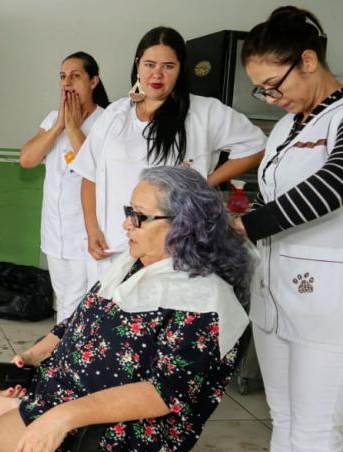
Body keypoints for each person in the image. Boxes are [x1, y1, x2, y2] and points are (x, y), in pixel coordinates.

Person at [0, 166, 251, 452]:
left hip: (120, 425)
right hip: (61, 386)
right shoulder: (134, 264)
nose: (126, 224)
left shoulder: (205, 302)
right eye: (128, 211)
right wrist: (32, 356)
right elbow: (75, 323)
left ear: (183, 225)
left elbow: (161, 394)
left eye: (138, 216)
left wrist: (61, 417)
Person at [232, 6, 343, 452]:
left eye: (273, 85)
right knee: (286, 424)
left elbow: (334, 186)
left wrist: (243, 224)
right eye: (260, 89)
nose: (269, 97)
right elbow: (275, 194)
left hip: (334, 306)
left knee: (318, 435)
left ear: (308, 60)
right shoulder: (287, 125)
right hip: (277, 298)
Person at [73, 26, 265, 276]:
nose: (157, 74)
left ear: (180, 69)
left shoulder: (203, 112)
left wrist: (204, 182)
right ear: (137, 65)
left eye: (168, 66)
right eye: (150, 64)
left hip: (172, 251)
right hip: (113, 246)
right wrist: (92, 230)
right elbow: (89, 176)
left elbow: (257, 146)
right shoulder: (116, 115)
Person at [19, 51, 110, 321]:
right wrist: (60, 124)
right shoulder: (52, 119)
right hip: (54, 232)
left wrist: (72, 128)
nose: (66, 82)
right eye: (62, 76)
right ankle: (63, 354)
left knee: (77, 304)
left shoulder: (107, 120)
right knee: (63, 299)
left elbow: (96, 169)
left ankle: (62, 359)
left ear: (93, 81)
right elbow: (27, 159)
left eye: (75, 75)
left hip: (86, 234)